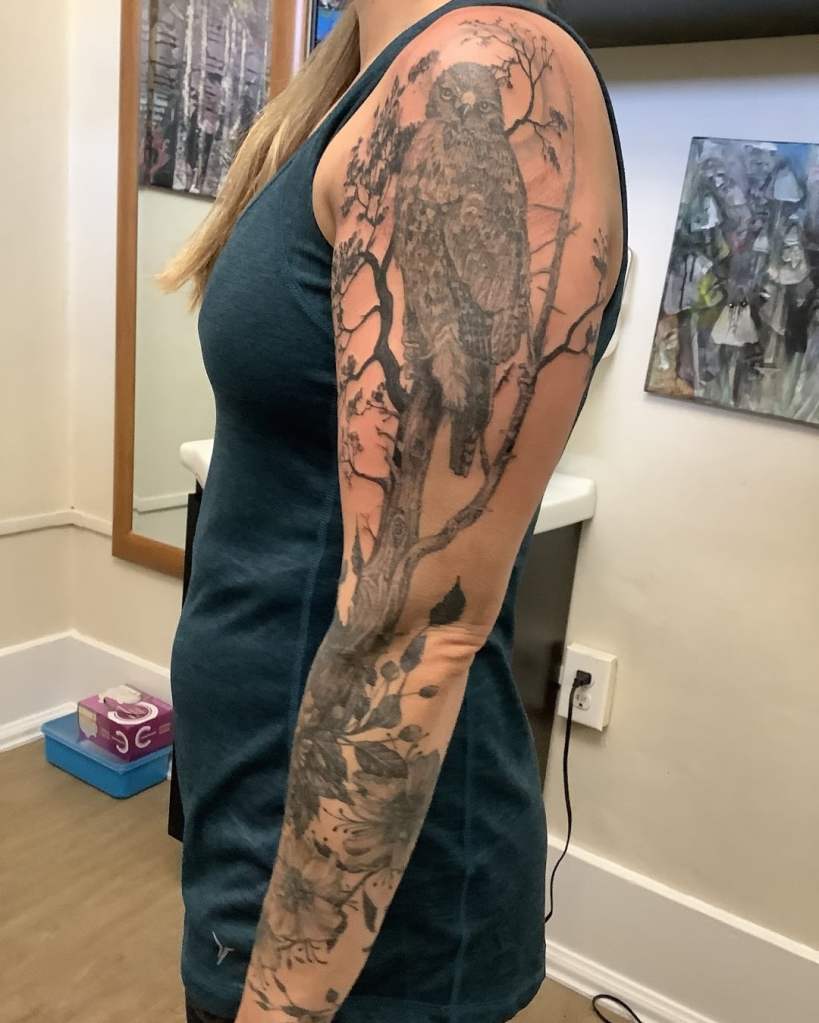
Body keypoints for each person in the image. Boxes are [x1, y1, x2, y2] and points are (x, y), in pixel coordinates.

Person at [159, 2, 628, 1021]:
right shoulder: (351, 87)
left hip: (361, 933)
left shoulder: (486, 67)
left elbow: (417, 625)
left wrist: (283, 1003)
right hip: (258, 839)